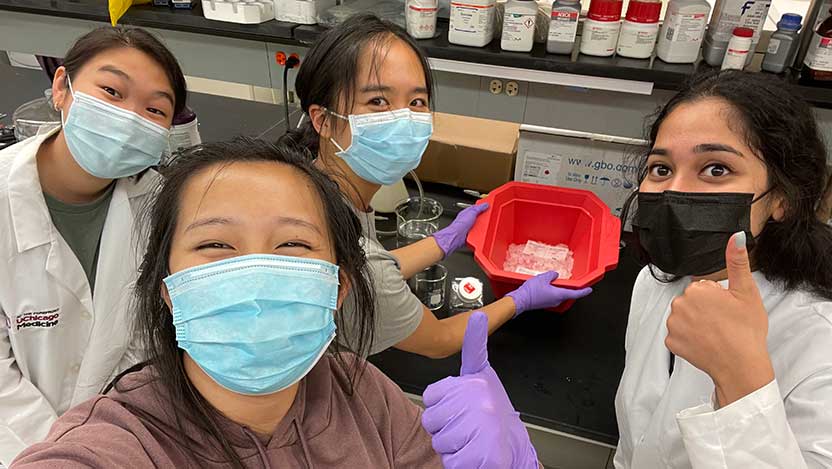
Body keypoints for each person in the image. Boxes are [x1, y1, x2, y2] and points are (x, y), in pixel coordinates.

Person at [420, 70, 832, 468]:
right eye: (661, 169)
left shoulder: (817, 343)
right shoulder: (656, 283)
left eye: (716, 169)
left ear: (783, 199)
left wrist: (741, 384)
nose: (674, 191)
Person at [11, 137, 446, 468]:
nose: (255, 274)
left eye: (292, 243)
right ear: (168, 289)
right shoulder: (122, 441)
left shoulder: (364, 393)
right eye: (216, 244)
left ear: (338, 288)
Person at [282, 13, 592, 358]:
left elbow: (378, 266)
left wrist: (444, 242)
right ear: (322, 119)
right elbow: (439, 339)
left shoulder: (315, 187)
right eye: (378, 101)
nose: (404, 120)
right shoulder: (339, 243)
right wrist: (519, 300)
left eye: (416, 102)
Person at [0, 27, 186, 464]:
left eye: (154, 109)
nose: (129, 117)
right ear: (62, 87)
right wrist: (61, 451)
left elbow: (155, 345)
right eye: (112, 91)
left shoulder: (163, 207)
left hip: (137, 435)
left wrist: (113, 442)